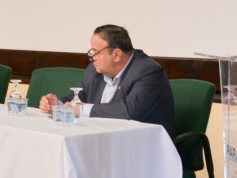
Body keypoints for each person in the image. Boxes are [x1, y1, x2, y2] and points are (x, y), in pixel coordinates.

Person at [39, 25, 175, 137]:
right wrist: (59, 104)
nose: (92, 57)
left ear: (116, 54)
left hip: (142, 146)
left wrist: (81, 109)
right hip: (104, 139)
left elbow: (128, 111)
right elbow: (80, 94)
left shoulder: (148, 72)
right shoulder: (95, 70)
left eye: (95, 51)